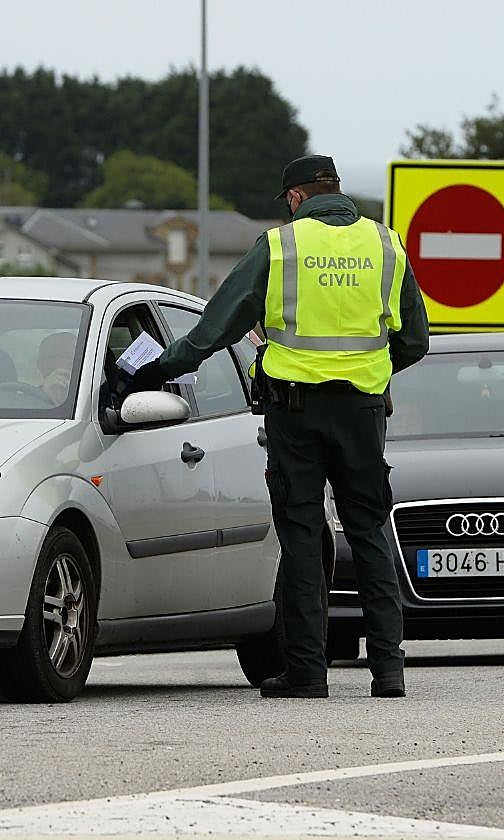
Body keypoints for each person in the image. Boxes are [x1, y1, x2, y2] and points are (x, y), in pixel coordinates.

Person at [127, 155, 429, 699]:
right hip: (363, 412)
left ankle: (308, 673)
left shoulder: (281, 247)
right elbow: (415, 342)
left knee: (302, 537)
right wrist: (369, 373)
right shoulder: (387, 245)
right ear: (335, 190)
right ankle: (389, 671)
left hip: (296, 413)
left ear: (295, 198)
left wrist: (154, 369)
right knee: (369, 534)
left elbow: (214, 329)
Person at [36, 331, 77, 404]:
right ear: (43, 364)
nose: (72, 361)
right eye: (64, 356)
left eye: (76, 355)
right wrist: (43, 395)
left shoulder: (97, 393)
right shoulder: (26, 401)